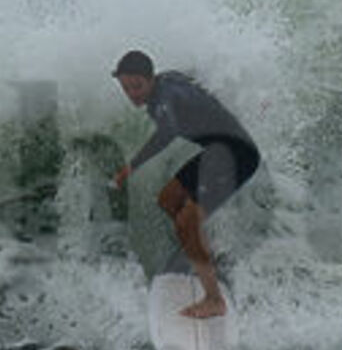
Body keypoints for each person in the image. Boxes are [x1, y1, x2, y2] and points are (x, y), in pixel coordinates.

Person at [110, 49, 260, 319]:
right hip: (217, 151)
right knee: (168, 199)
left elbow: (168, 131)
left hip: (236, 155)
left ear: (151, 78)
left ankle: (214, 300)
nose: (132, 94)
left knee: (187, 222)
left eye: (137, 86)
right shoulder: (168, 79)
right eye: (126, 88)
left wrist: (132, 166)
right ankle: (203, 256)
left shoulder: (164, 99)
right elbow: (193, 76)